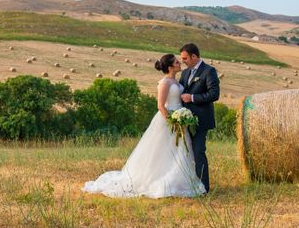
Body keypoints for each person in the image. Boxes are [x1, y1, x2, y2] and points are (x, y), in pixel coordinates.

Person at [82, 54, 206, 198]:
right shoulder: (165, 83)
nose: (180, 63)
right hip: (168, 121)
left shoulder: (177, 81)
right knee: (162, 152)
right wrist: (172, 121)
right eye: (177, 62)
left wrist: (182, 118)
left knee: (180, 152)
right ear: (170, 66)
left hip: (179, 120)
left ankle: (180, 182)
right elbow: (160, 106)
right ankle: (158, 181)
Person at [179, 43, 220, 193]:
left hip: (201, 121)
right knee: (185, 153)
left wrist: (193, 98)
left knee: (198, 152)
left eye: (185, 58)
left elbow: (214, 94)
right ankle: (188, 185)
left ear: (194, 56)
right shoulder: (185, 73)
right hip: (184, 120)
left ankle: (203, 188)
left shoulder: (209, 71)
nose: (183, 61)